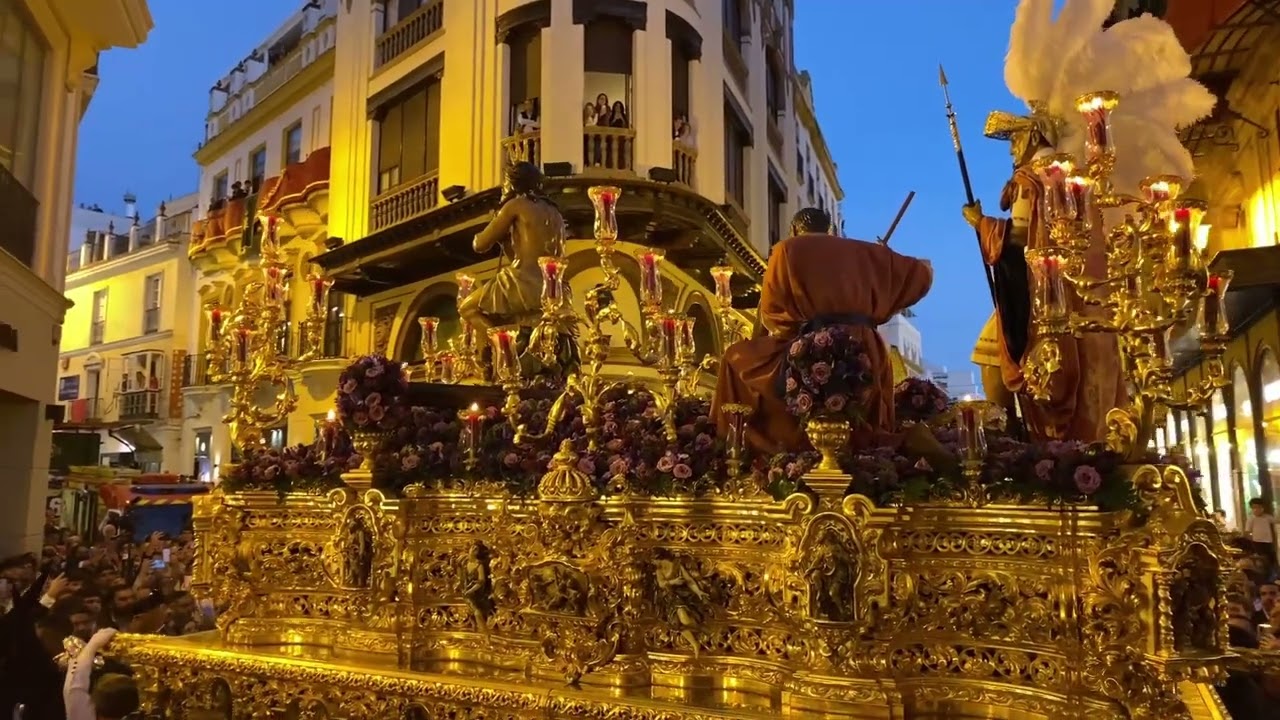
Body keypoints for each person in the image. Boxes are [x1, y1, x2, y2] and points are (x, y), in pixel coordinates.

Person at [712, 207, 933, 453]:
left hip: (813, 343)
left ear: (795, 229)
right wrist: (879, 265)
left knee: (735, 358)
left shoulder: (786, 249)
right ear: (830, 230)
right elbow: (924, 272)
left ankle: (745, 445)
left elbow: (775, 315)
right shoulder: (866, 251)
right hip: (867, 346)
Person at [1247, 498, 1276, 570]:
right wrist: (1251, 541)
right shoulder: (1251, 519)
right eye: (1254, 507)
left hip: (1268, 541)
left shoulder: (1267, 517)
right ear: (1251, 508)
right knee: (1260, 559)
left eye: (1259, 507)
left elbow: (1276, 521)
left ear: (1263, 508)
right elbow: (1248, 531)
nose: (1257, 510)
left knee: (1270, 558)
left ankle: (1272, 575)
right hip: (1257, 542)